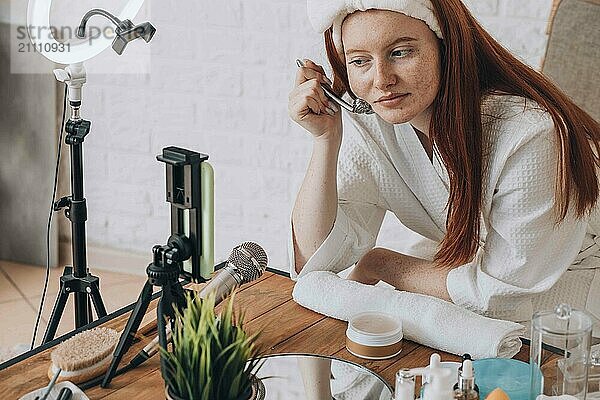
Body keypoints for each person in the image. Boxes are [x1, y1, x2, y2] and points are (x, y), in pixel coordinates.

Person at [287, 0, 600, 331]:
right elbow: (315, 262)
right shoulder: (374, 124)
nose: (381, 80)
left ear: (445, 46)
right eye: (360, 61)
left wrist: (383, 264)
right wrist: (324, 141)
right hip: (465, 270)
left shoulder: (531, 134)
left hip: (565, 287)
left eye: (400, 52)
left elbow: (501, 294)